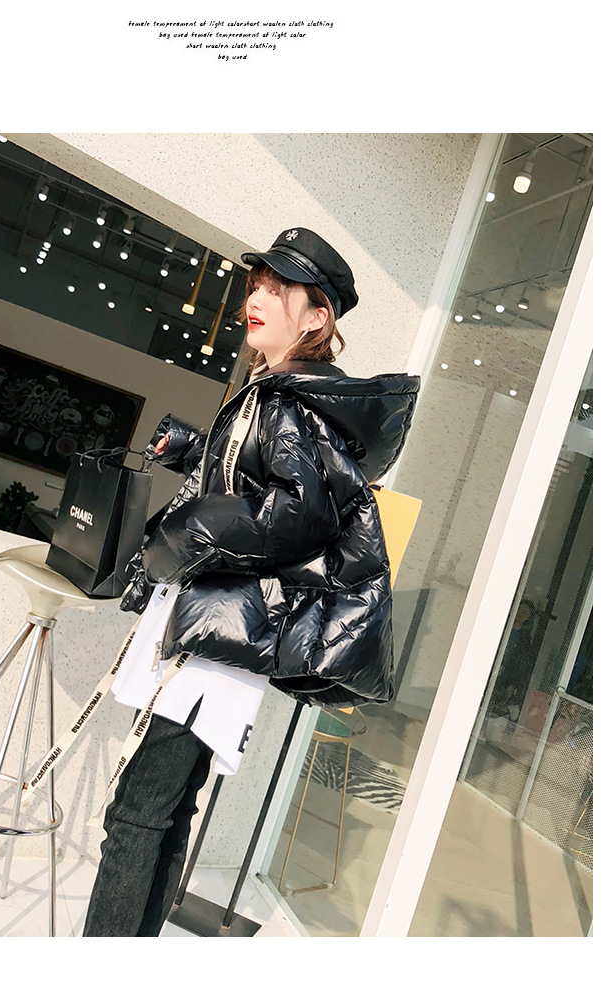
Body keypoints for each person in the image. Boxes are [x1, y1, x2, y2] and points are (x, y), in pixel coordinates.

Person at [82, 227, 420, 937]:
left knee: (135, 815)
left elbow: (298, 514)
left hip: (216, 634)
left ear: (318, 317)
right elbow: (270, 482)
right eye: (257, 284)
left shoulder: (289, 400)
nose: (256, 298)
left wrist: (190, 529)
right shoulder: (280, 392)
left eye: (278, 289)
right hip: (225, 629)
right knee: (165, 811)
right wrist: (196, 452)